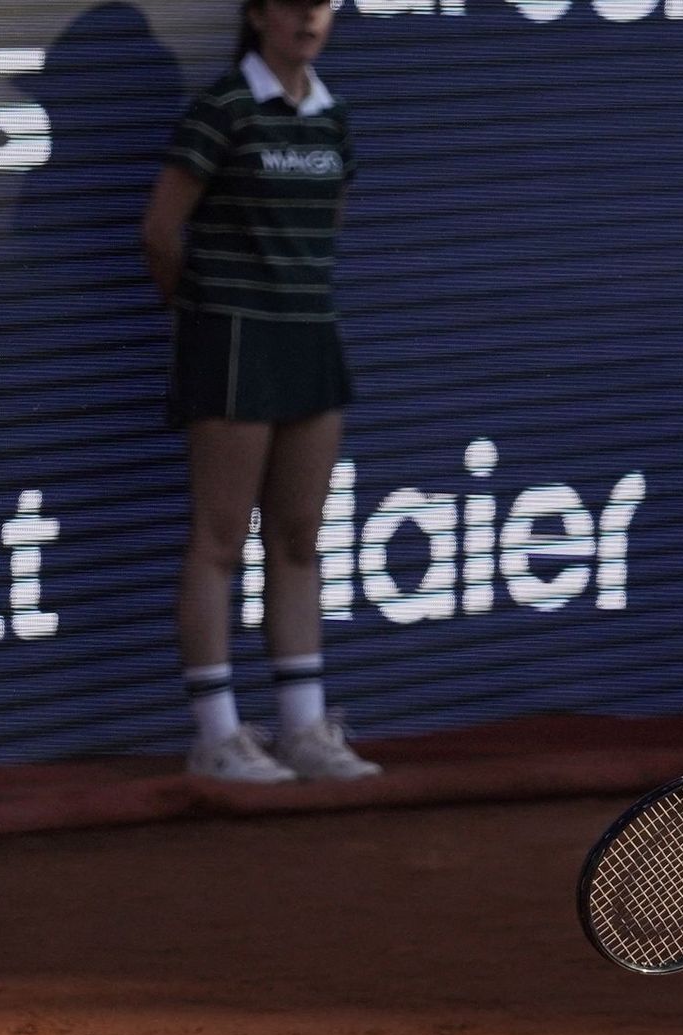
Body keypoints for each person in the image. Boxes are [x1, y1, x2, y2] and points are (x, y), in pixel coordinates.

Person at [140, 0, 378, 784]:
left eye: (321, 5)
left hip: (310, 340)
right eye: (291, 5)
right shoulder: (223, 110)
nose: (308, 20)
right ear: (257, 14)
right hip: (233, 345)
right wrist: (209, 313)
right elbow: (160, 231)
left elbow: (327, 226)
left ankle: (303, 728)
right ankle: (216, 736)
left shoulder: (333, 117)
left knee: (300, 538)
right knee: (220, 540)